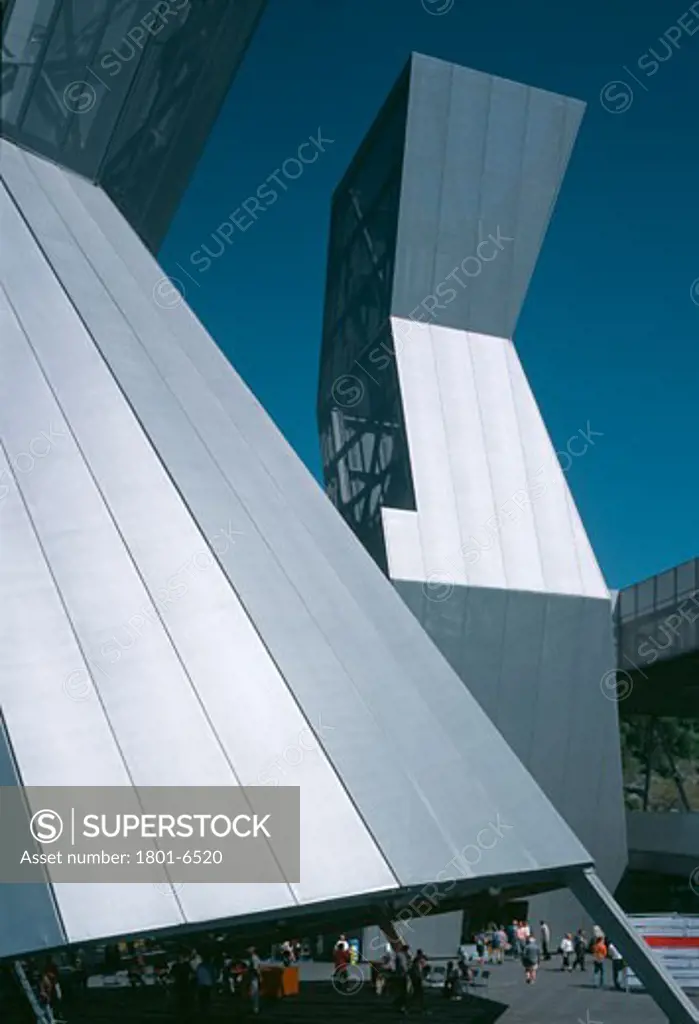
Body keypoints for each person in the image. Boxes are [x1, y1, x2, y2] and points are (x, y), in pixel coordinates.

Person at [393, 942, 410, 1014]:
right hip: (403, 975)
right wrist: (407, 972)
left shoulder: (400, 955)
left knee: (402, 991)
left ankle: (399, 1004)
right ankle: (402, 1006)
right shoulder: (402, 955)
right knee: (404, 991)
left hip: (399, 975)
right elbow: (403, 966)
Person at [410, 948, 427, 1013]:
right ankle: (420, 1008)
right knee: (418, 994)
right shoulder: (419, 961)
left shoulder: (415, 960)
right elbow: (422, 967)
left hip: (416, 978)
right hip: (418, 978)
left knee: (417, 994)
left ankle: (420, 1008)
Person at [247, 946, 262, 1015]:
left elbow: (256, 969)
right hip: (253, 977)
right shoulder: (253, 957)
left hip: (254, 977)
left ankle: (255, 1008)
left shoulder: (254, 958)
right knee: (253, 993)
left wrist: (259, 976)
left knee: (254, 993)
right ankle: (255, 1008)